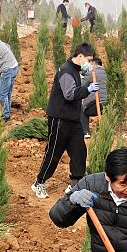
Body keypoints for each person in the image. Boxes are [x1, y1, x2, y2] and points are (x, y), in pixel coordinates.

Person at [34, 42, 97, 199]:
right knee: (54, 152)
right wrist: (87, 90)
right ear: (80, 56)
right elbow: (70, 94)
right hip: (59, 119)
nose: (89, 63)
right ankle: (39, 183)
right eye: (88, 60)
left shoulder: (75, 70)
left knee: (79, 151)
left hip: (73, 119)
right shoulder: (66, 71)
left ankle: (76, 182)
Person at [83, 57, 107, 138]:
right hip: (109, 103)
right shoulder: (108, 72)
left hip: (96, 104)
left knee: (82, 110)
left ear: (93, 64)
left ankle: (85, 132)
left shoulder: (91, 73)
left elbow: (82, 87)